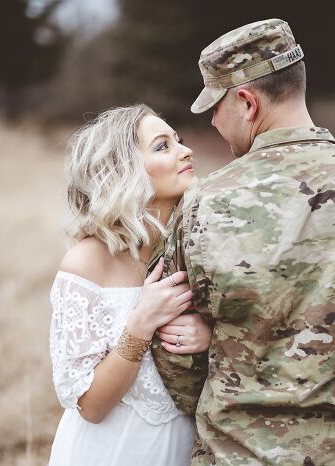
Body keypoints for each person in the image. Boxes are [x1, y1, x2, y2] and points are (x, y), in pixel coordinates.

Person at [149, 18, 335, 466]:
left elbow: (174, 348)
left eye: (215, 106)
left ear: (246, 103)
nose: (212, 120)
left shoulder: (203, 205)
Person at [47, 104, 213, 466]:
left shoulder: (200, 248)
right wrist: (140, 325)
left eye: (178, 140)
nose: (186, 151)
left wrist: (210, 338)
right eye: (162, 146)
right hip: (113, 451)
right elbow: (90, 406)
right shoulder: (87, 262)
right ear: (124, 171)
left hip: (186, 449)